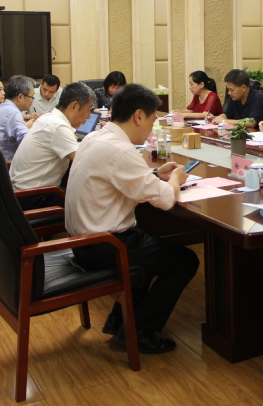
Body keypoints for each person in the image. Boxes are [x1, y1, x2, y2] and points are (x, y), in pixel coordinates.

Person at [65, 83, 200, 355]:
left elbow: (117, 178)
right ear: (138, 116)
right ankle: (139, 332)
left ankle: (119, 323)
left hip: (81, 240)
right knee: (185, 261)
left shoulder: (95, 137)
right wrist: (175, 179)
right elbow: (166, 199)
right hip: (105, 245)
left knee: (149, 245)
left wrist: (154, 175)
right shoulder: (122, 151)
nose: (152, 128)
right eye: (152, 120)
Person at [10, 82, 94, 211]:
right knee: (89, 200)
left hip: (18, 193)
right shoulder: (58, 126)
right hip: (32, 197)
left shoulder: (49, 118)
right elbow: (85, 161)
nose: (88, 116)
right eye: (88, 110)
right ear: (74, 106)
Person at [0, 75, 36, 162]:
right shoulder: (13, 113)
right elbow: (27, 142)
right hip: (6, 164)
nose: (32, 100)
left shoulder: (1, 107)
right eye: (32, 96)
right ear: (20, 97)